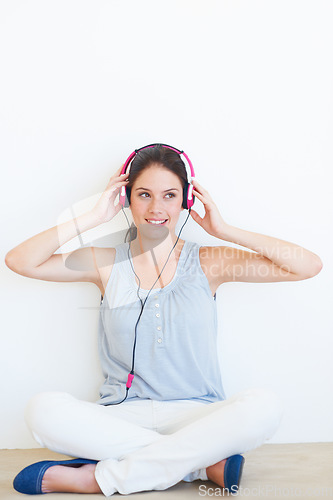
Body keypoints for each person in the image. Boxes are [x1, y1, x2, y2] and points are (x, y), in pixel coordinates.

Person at [5, 144, 323, 496]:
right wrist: (94, 217)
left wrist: (225, 230)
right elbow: (21, 261)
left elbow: (306, 266)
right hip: (122, 415)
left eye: (170, 195)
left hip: (200, 417)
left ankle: (98, 479)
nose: (157, 208)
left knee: (264, 405)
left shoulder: (210, 261)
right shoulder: (105, 262)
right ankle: (199, 465)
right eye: (144, 194)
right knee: (43, 410)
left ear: (186, 201)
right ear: (126, 199)